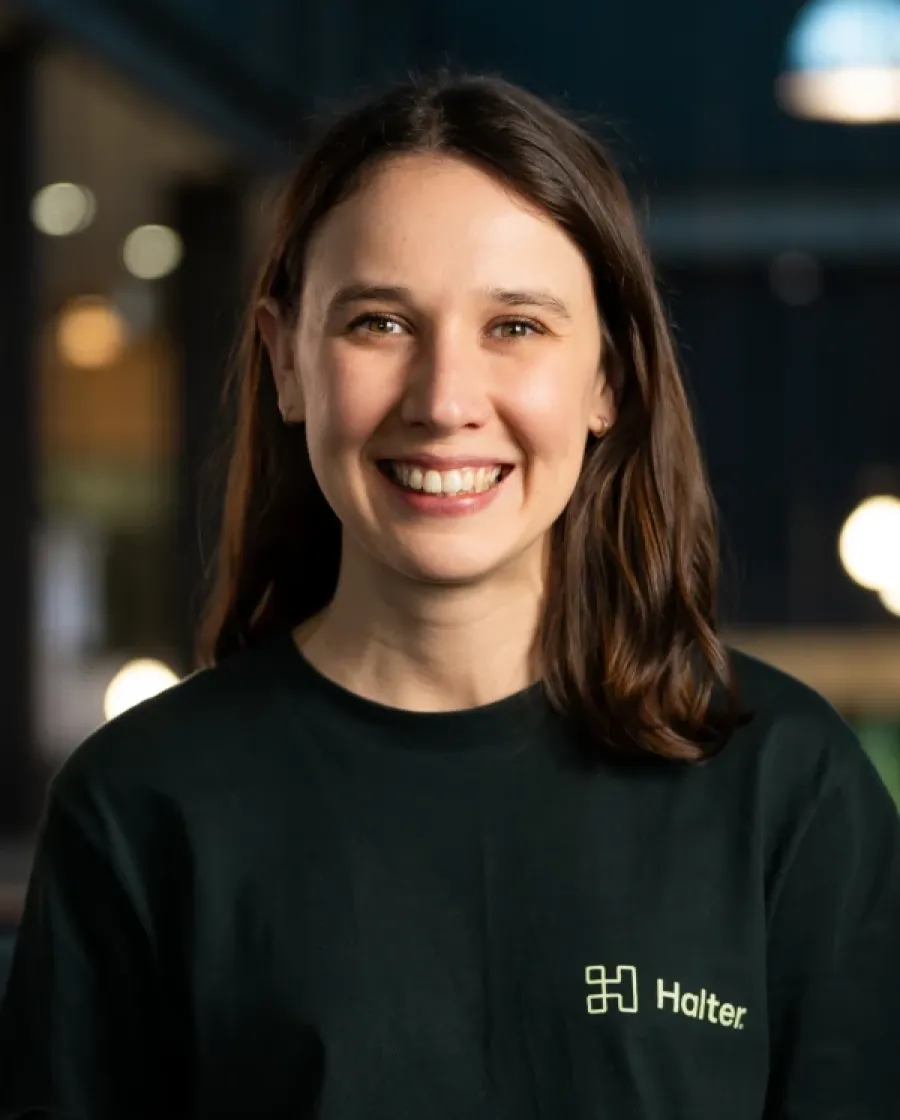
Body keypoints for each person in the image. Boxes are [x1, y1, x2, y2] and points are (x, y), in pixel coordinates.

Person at [1, 71, 898, 1120]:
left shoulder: (788, 787)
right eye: (380, 322)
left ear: (610, 378)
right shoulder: (145, 804)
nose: (444, 401)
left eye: (515, 326)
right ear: (286, 359)